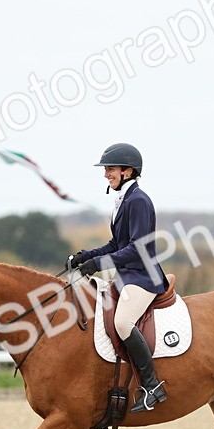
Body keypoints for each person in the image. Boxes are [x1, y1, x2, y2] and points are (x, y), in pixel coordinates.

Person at [66, 143, 168, 413]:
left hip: (143, 277)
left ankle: (152, 385)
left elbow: (137, 248)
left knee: (123, 322)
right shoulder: (123, 199)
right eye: (106, 169)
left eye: (110, 169)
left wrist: (98, 264)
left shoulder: (138, 201)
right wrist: (86, 256)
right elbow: (116, 244)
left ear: (127, 170)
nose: (106, 174)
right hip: (126, 276)